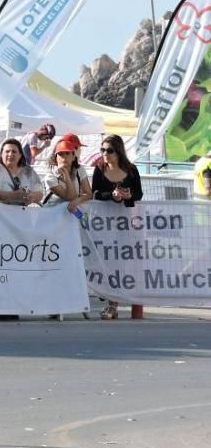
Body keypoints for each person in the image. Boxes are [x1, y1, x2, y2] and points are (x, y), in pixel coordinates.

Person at [92, 134, 143, 320]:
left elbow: (139, 193)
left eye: (109, 150)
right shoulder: (99, 169)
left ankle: (114, 303)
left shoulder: (131, 170)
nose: (105, 154)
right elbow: (95, 193)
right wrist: (111, 196)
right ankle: (111, 301)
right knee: (106, 261)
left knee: (120, 262)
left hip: (125, 221)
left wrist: (128, 195)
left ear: (118, 151)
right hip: (103, 223)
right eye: (102, 150)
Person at [0, 138, 45, 206]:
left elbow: (40, 193)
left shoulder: (28, 170)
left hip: (22, 212)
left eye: (14, 151)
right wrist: (16, 195)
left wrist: (32, 197)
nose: (10, 154)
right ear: (1, 154)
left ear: (20, 155)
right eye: (7, 151)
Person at [43, 135, 92, 213]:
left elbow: (89, 194)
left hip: (72, 214)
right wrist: (66, 174)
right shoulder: (50, 177)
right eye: (60, 154)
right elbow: (71, 197)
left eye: (67, 153)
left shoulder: (79, 169)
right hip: (52, 216)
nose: (64, 157)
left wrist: (77, 200)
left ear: (73, 156)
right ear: (55, 157)